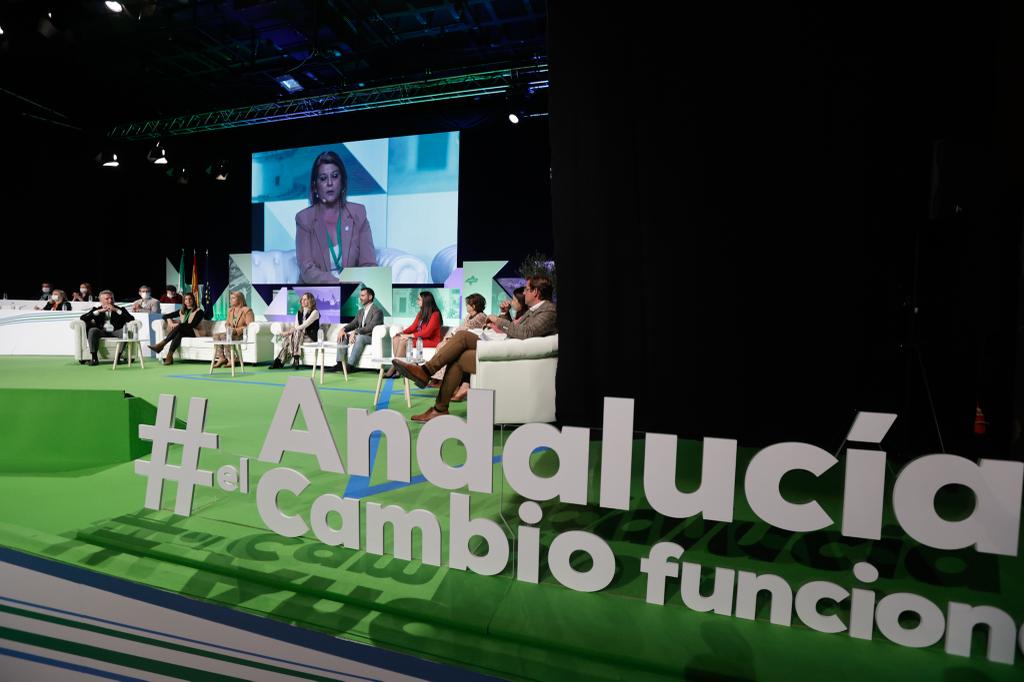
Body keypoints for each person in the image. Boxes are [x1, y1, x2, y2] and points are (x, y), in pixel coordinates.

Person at [393, 276, 557, 422]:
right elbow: (518, 328)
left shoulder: (548, 310)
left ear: (536, 292)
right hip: (506, 349)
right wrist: (505, 316)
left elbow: (526, 333)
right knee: (459, 353)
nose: (524, 293)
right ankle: (439, 407)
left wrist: (499, 321)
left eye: (528, 289)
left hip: (509, 354)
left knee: (463, 336)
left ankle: (426, 372)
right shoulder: (535, 311)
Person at [295, 150, 377, 284]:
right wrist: (338, 282)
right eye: (322, 178)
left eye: (334, 176)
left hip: (352, 291)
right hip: (316, 293)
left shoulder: (358, 214)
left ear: (343, 182)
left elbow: (369, 263)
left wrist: (354, 287)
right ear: (315, 186)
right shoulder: (304, 219)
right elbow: (307, 270)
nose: (329, 183)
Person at [429, 293, 488, 388]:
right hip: (460, 337)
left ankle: (440, 378)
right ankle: (437, 377)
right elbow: (461, 327)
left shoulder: (481, 316)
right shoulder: (468, 316)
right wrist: (451, 335)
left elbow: (467, 327)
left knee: (443, 347)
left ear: (473, 306)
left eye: (468, 304)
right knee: (441, 345)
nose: (466, 306)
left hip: (469, 342)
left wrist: (453, 335)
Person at [384, 291, 442, 378]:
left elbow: (427, 332)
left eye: (419, 299)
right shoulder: (421, 313)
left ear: (425, 301)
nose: (417, 301)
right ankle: (399, 369)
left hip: (431, 341)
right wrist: (401, 333)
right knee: (396, 338)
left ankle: (393, 368)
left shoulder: (435, 314)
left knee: (404, 341)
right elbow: (413, 327)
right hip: (421, 339)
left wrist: (410, 336)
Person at [327, 286, 382, 372]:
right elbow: (353, 323)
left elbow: (371, 327)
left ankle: (351, 365)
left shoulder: (377, 311)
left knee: (359, 338)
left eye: (363, 296)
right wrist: (343, 329)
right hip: (360, 335)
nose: (360, 298)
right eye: (360, 296)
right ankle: (340, 364)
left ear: (370, 297)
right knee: (343, 336)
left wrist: (356, 332)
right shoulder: (361, 311)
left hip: (370, 337)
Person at [79, 290, 135, 366]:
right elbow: (83, 318)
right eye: (107, 299)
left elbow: (131, 319)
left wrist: (116, 310)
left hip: (116, 331)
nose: (110, 300)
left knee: (124, 332)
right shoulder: (96, 309)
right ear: (101, 300)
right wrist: (99, 311)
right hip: (101, 331)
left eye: (112, 298)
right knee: (92, 330)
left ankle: (117, 357)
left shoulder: (120, 309)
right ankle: (94, 358)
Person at [148, 292, 205, 365]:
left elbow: (192, 325)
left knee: (180, 327)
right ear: (184, 301)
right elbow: (165, 316)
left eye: (190, 299)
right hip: (183, 331)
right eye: (186, 299)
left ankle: (162, 345)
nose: (188, 301)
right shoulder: (182, 311)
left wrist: (178, 325)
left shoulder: (199, 311)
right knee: (180, 333)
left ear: (194, 300)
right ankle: (169, 355)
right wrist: (170, 322)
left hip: (196, 332)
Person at [271, 292, 320, 369]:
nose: (302, 301)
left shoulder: (315, 312)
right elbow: (296, 326)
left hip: (310, 337)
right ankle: (295, 358)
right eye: (302, 299)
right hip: (300, 336)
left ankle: (280, 360)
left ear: (310, 301)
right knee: (293, 335)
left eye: (305, 299)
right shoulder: (299, 313)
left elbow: (304, 325)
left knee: (295, 333)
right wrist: (291, 333)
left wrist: (288, 332)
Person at [212, 290, 254, 369]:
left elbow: (250, 326)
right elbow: (227, 323)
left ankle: (231, 359)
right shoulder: (230, 310)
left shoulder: (247, 310)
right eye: (230, 298)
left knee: (224, 336)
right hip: (231, 333)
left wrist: (236, 330)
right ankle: (221, 358)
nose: (231, 300)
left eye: (233, 298)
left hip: (241, 335)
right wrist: (228, 327)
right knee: (216, 336)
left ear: (240, 299)